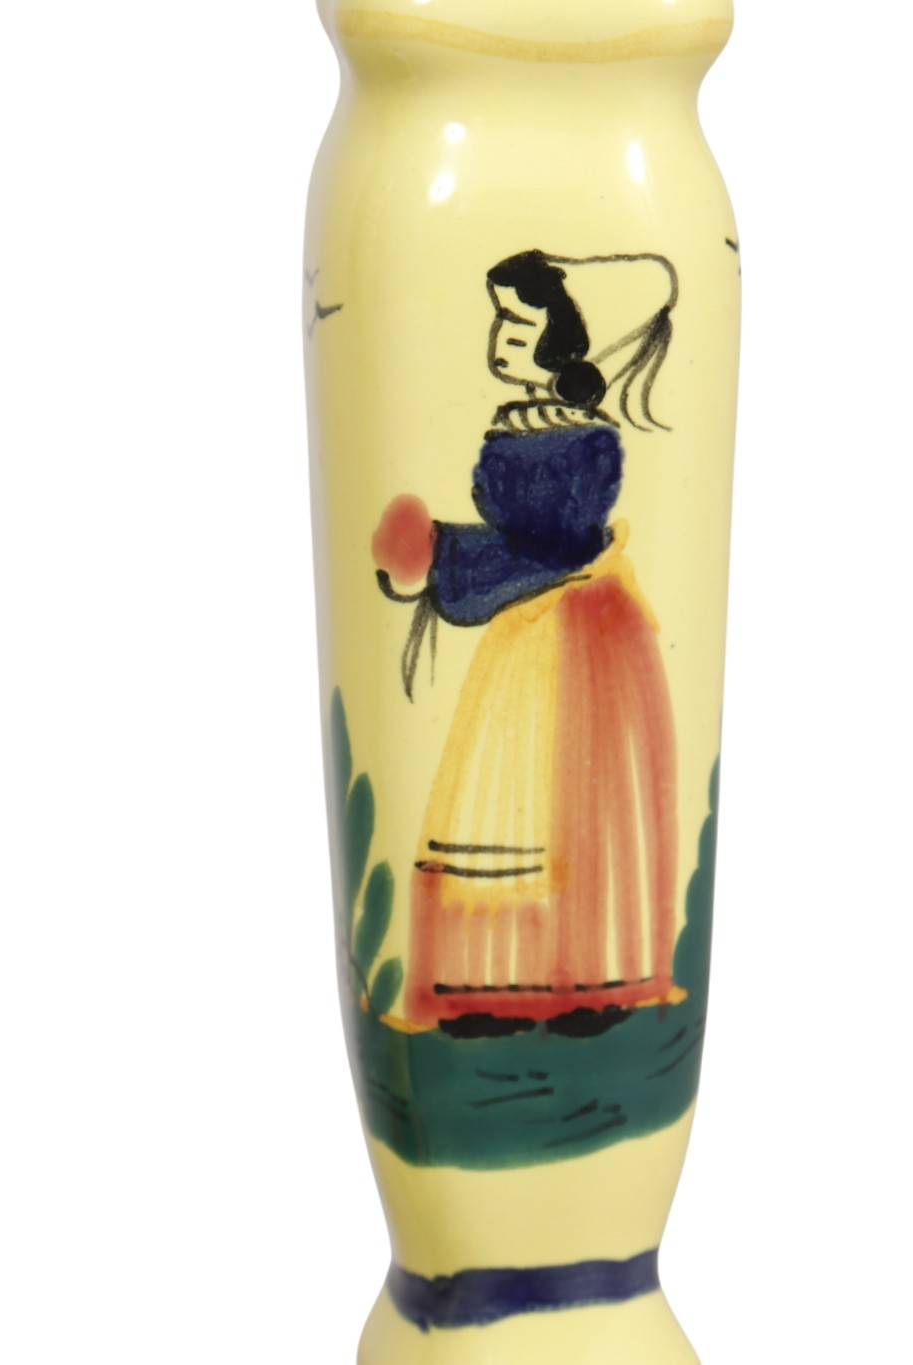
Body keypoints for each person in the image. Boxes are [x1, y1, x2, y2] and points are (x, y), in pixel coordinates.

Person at [370, 250, 682, 1036]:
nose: (500, 339)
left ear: (562, 337)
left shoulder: (585, 441)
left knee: (565, 802)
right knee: (509, 798)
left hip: (577, 630)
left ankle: (584, 985)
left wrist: (445, 559)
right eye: (500, 321)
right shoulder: (516, 424)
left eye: (518, 324)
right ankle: (494, 987)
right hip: (527, 631)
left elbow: (554, 548)